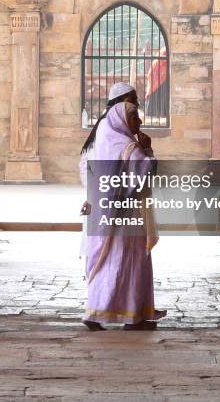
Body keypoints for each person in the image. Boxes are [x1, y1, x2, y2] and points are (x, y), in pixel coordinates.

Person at [80, 99, 166, 331]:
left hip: (107, 212)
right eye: (134, 117)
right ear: (122, 120)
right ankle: (130, 316)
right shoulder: (128, 147)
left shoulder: (105, 142)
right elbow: (146, 172)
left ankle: (98, 311)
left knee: (110, 261)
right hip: (126, 213)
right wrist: (147, 149)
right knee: (129, 262)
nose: (139, 121)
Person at [79, 82, 140, 258]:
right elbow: (88, 163)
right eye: (133, 99)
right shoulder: (108, 129)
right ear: (120, 102)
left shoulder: (115, 126)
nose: (137, 104)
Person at [145, 46, 168, 119]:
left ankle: (156, 115)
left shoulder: (156, 61)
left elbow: (150, 74)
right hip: (161, 82)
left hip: (158, 82)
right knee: (161, 96)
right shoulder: (161, 62)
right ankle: (160, 115)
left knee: (158, 97)